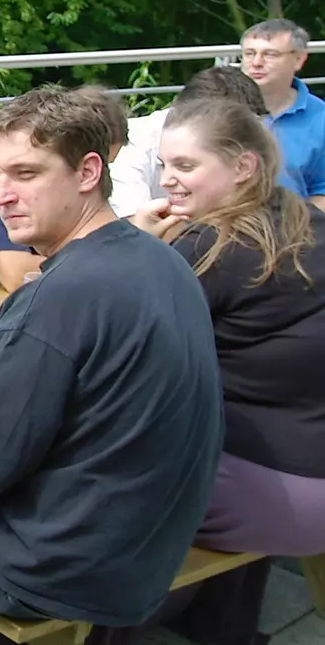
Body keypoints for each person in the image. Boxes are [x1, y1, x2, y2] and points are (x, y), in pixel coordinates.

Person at [0, 87, 222, 626]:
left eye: (25, 174)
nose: (3, 195)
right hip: (143, 556)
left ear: (87, 172)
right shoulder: (159, 258)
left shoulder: (55, 297)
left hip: (53, 573)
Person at [130, 98, 325, 554]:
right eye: (163, 164)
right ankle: (222, 623)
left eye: (185, 164)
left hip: (267, 496)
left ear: (243, 166)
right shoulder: (308, 222)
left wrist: (134, 246)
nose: (167, 179)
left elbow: (114, 340)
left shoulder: (211, 248)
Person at [0, 87, 125, 294]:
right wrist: (115, 259)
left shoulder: (1, 170)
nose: (2, 197)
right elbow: (17, 276)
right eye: (27, 173)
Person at [109, 66, 267, 216]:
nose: (165, 181)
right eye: (185, 166)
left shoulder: (254, 145)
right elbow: (133, 228)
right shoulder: (130, 145)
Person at [238, 18, 325, 211]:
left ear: (299, 59)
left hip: (298, 231)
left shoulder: (321, 119)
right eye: (249, 53)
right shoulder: (218, 110)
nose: (256, 63)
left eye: (270, 54)